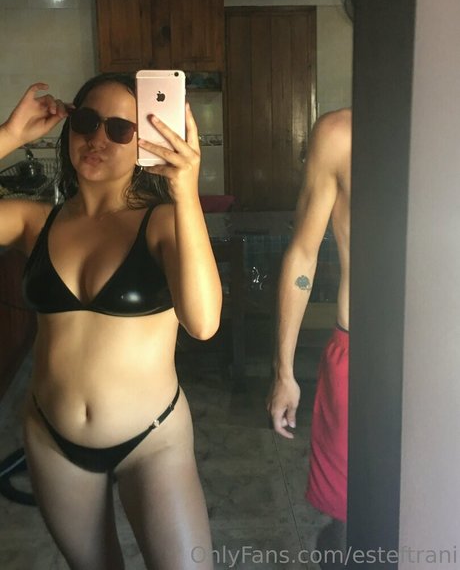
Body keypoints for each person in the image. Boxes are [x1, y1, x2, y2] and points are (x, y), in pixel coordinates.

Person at [0, 75, 222, 570]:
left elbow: (204, 323)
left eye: (120, 129)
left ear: (144, 140)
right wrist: (9, 137)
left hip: (153, 441)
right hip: (52, 439)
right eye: (86, 121)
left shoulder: (162, 222)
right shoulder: (35, 222)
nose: (97, 138)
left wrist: (186, 193)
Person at [267, 108, 351, 568]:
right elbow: (303, 253)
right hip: (359, 355)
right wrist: (284, 370)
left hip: (444, 359)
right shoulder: (340, 134)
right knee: (350, 524)